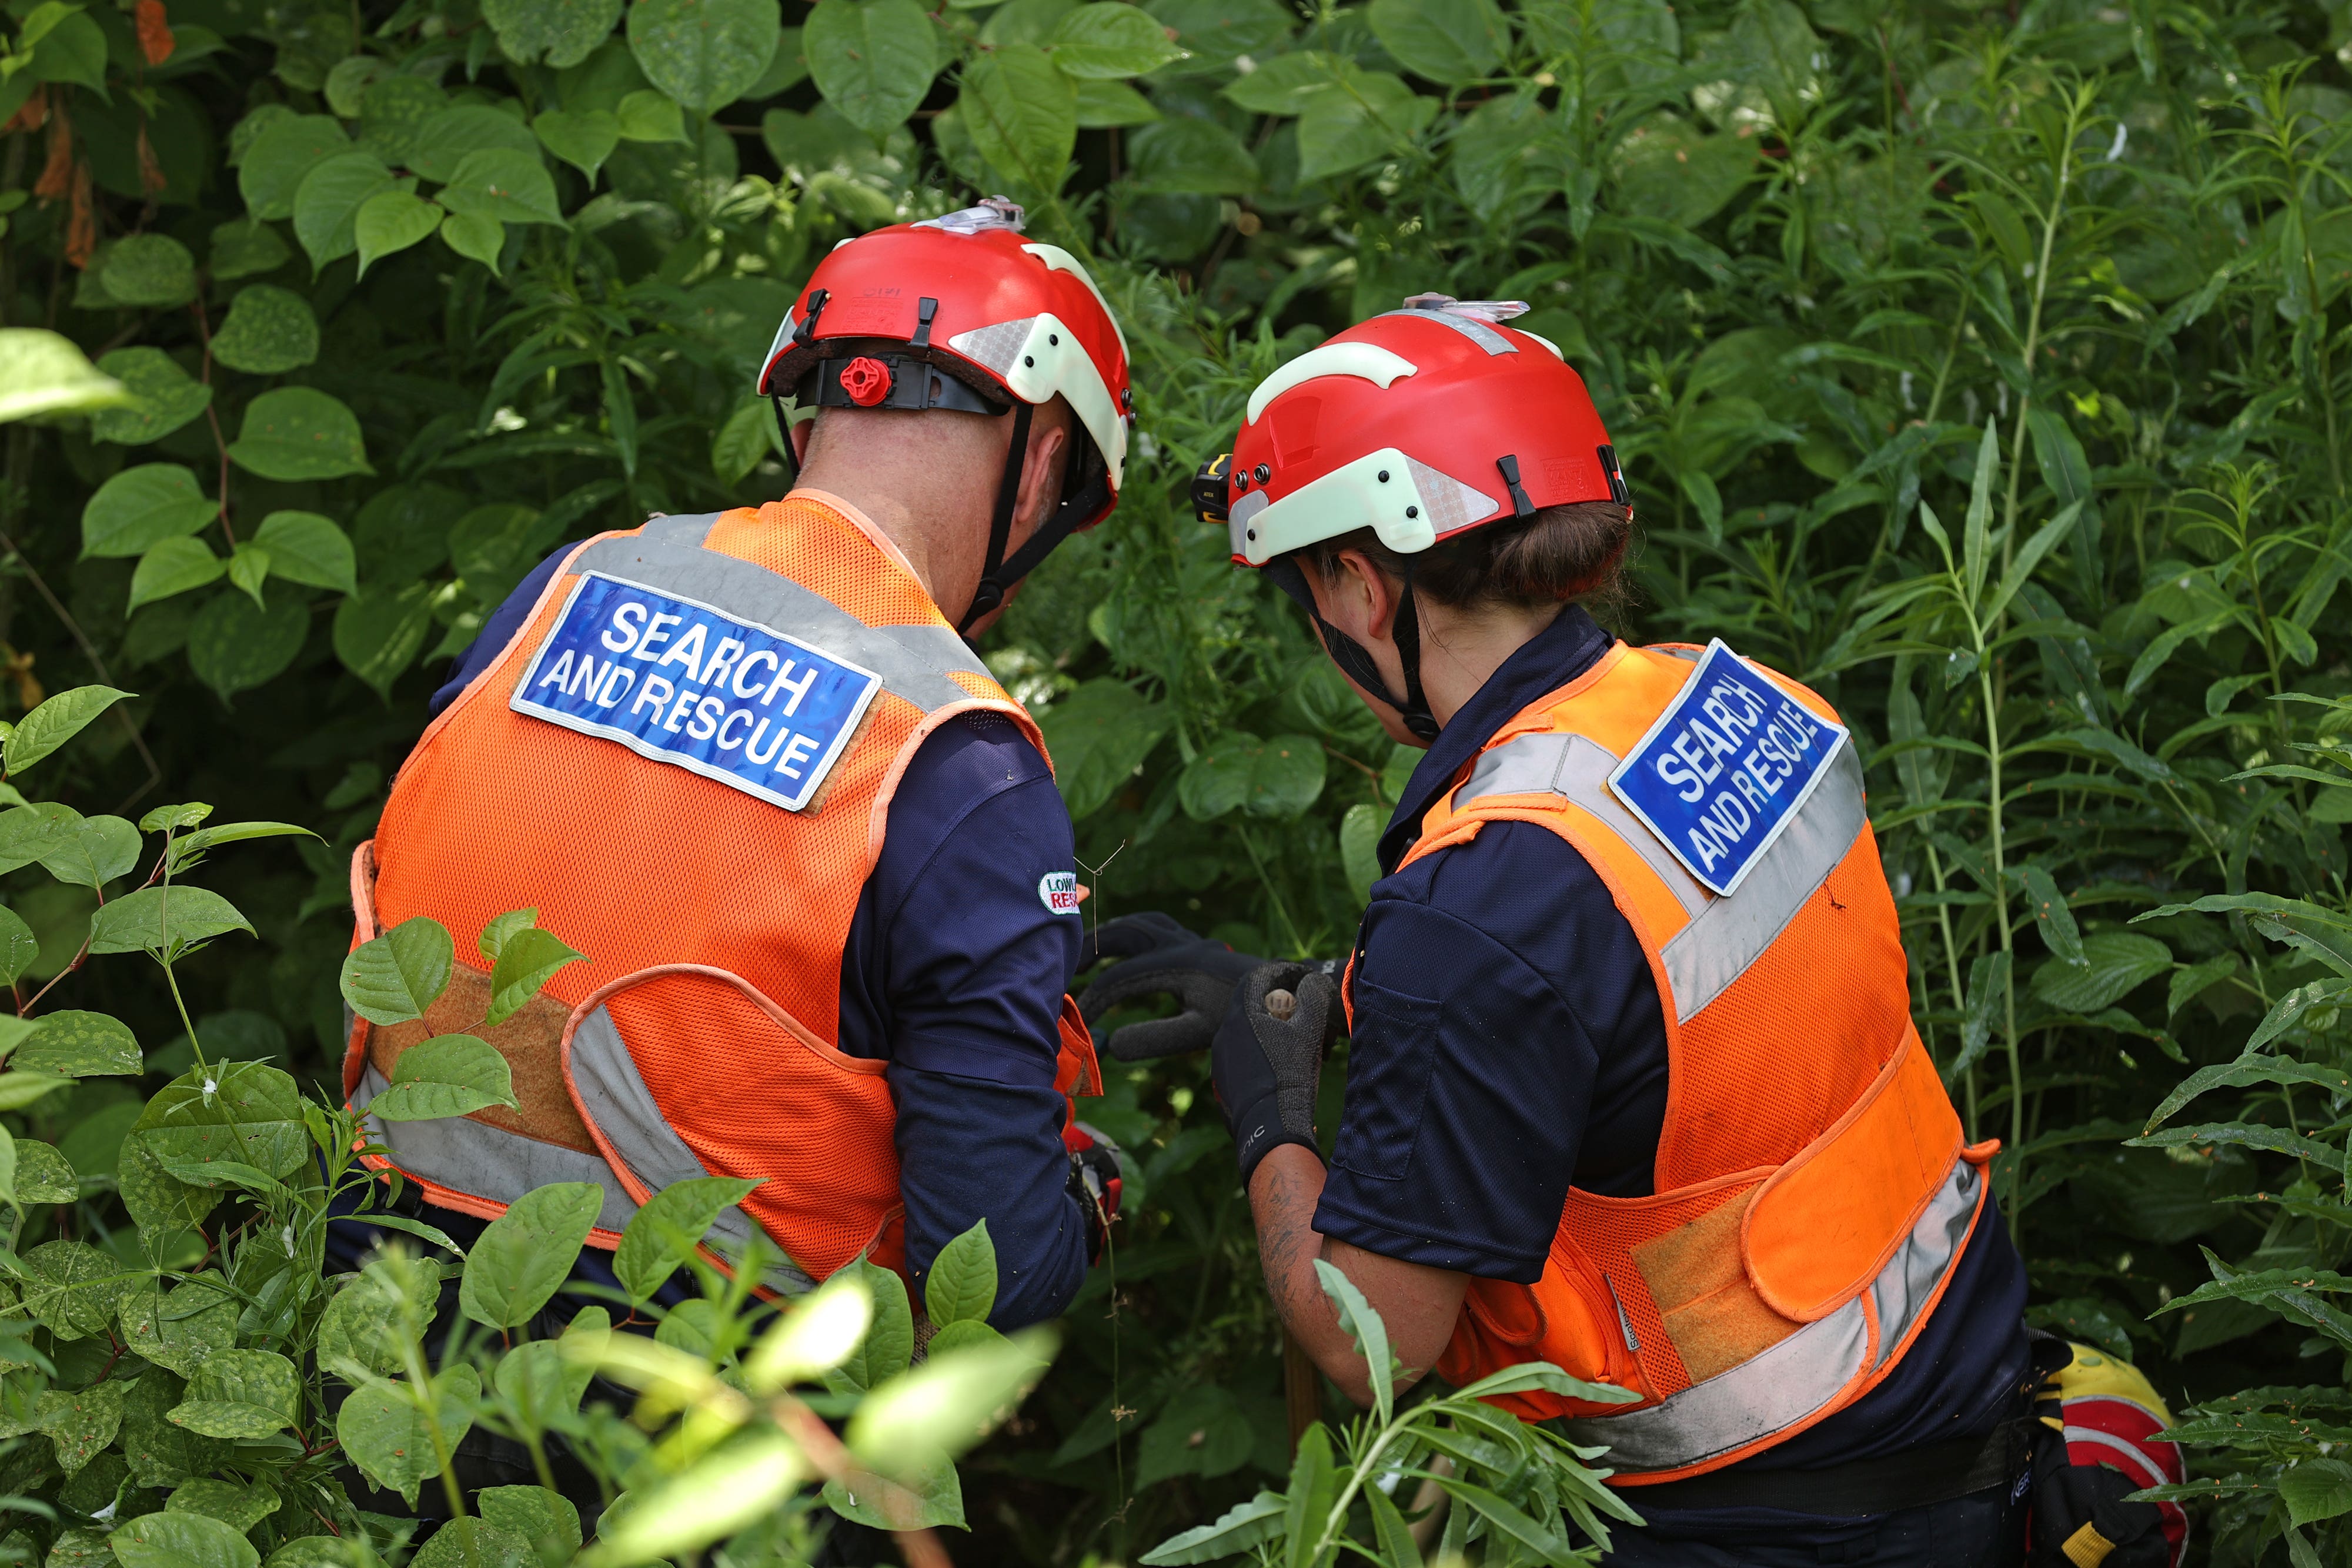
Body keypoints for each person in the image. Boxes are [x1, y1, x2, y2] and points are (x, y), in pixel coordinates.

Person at [1087, 295, 2033, 1566]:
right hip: (1963, 1387)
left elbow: (1370, 1339)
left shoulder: (1485, 903)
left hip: (1769, 1514)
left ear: (1356, 586)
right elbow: (1658, 1021)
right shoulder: (1739, 703)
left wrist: (1268, 1112)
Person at [328, 198, 1128, 1407]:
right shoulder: (956, 755)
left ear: (810, 402)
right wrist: (1081, 1198)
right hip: (687, 1419)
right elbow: (997, 1276)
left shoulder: (568, 587)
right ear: (1046, 459)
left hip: (380, 1350)